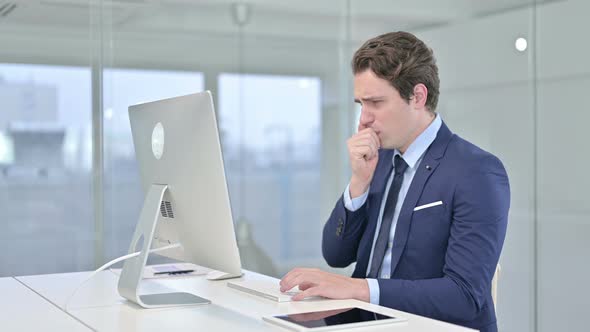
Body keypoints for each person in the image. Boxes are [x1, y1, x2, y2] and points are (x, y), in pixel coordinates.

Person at [279, 31, 510, 332]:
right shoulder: (382, 157)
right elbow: (335, 254)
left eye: (375, 102)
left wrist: (359, 289)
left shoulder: (477, 172)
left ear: (418, 96)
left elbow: (464, 295)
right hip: (364, 324)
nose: (363, 119)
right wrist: (358, 183)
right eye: (361, 103)